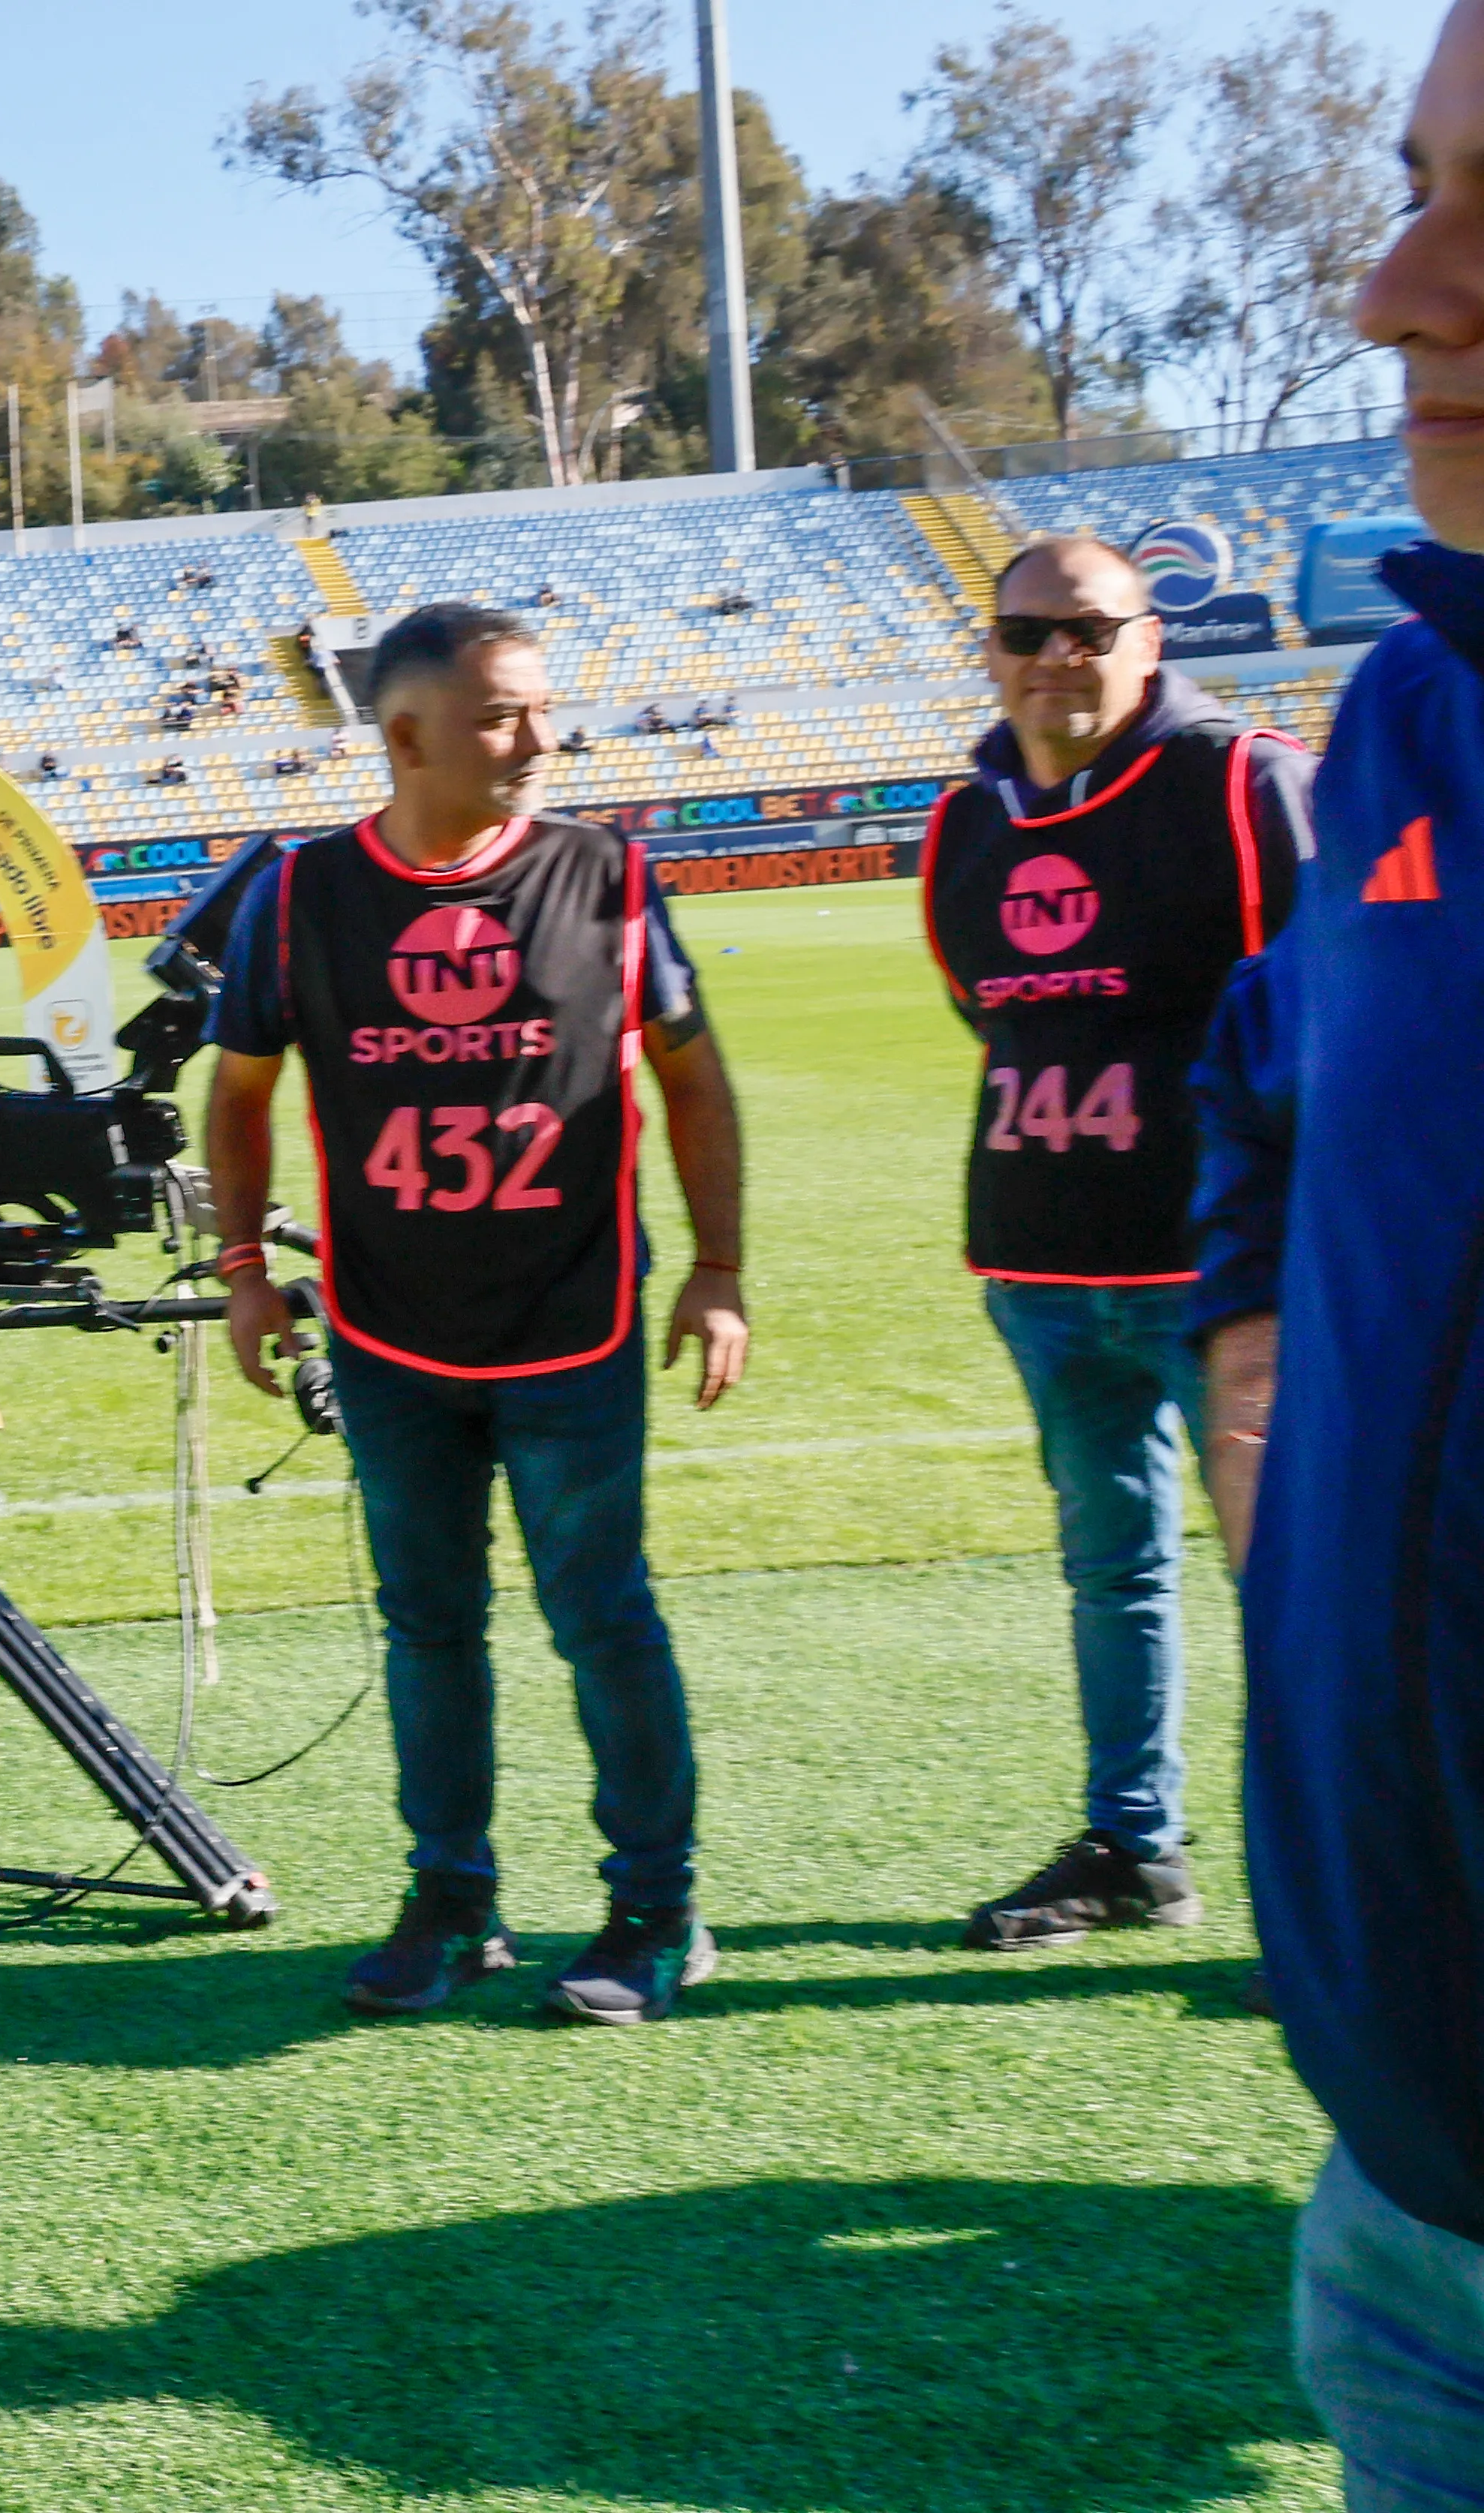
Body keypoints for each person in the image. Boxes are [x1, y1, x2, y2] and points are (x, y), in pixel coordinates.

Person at [206, 603, 750, 2025]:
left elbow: (692, 1077)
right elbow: (239, 1092)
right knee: (428, 1626)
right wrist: (245, 1271)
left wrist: (718, 1267)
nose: (537, 739)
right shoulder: (300, 896)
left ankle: (657, 1908)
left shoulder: (606, 875)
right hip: (392, 1335)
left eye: (540, 709)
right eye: (501, 715)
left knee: (602, 1618)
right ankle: (453, 1901)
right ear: (405, 737)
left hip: (575, 1326)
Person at [1194, 11, 1484, 2488]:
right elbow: (1264, 1071)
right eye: (1417, 184)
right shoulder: (1413, 705)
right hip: (1406, 2197)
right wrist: (1249, 1348)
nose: (1394, 290)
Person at [919, 532, 1313, 1951]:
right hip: (1042, 1267)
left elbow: (1338, 1006)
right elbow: (988, 1006)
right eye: (1028, 632)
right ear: (991, 651)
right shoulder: (965, 823)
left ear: (1151, 640)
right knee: (1113, 1572)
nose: (1058, 657)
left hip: (1232, 1283)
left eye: (1089, 629)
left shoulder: (1242, 782)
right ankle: (1133, 1847)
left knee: (1302, 1588)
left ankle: (1333, 1897)